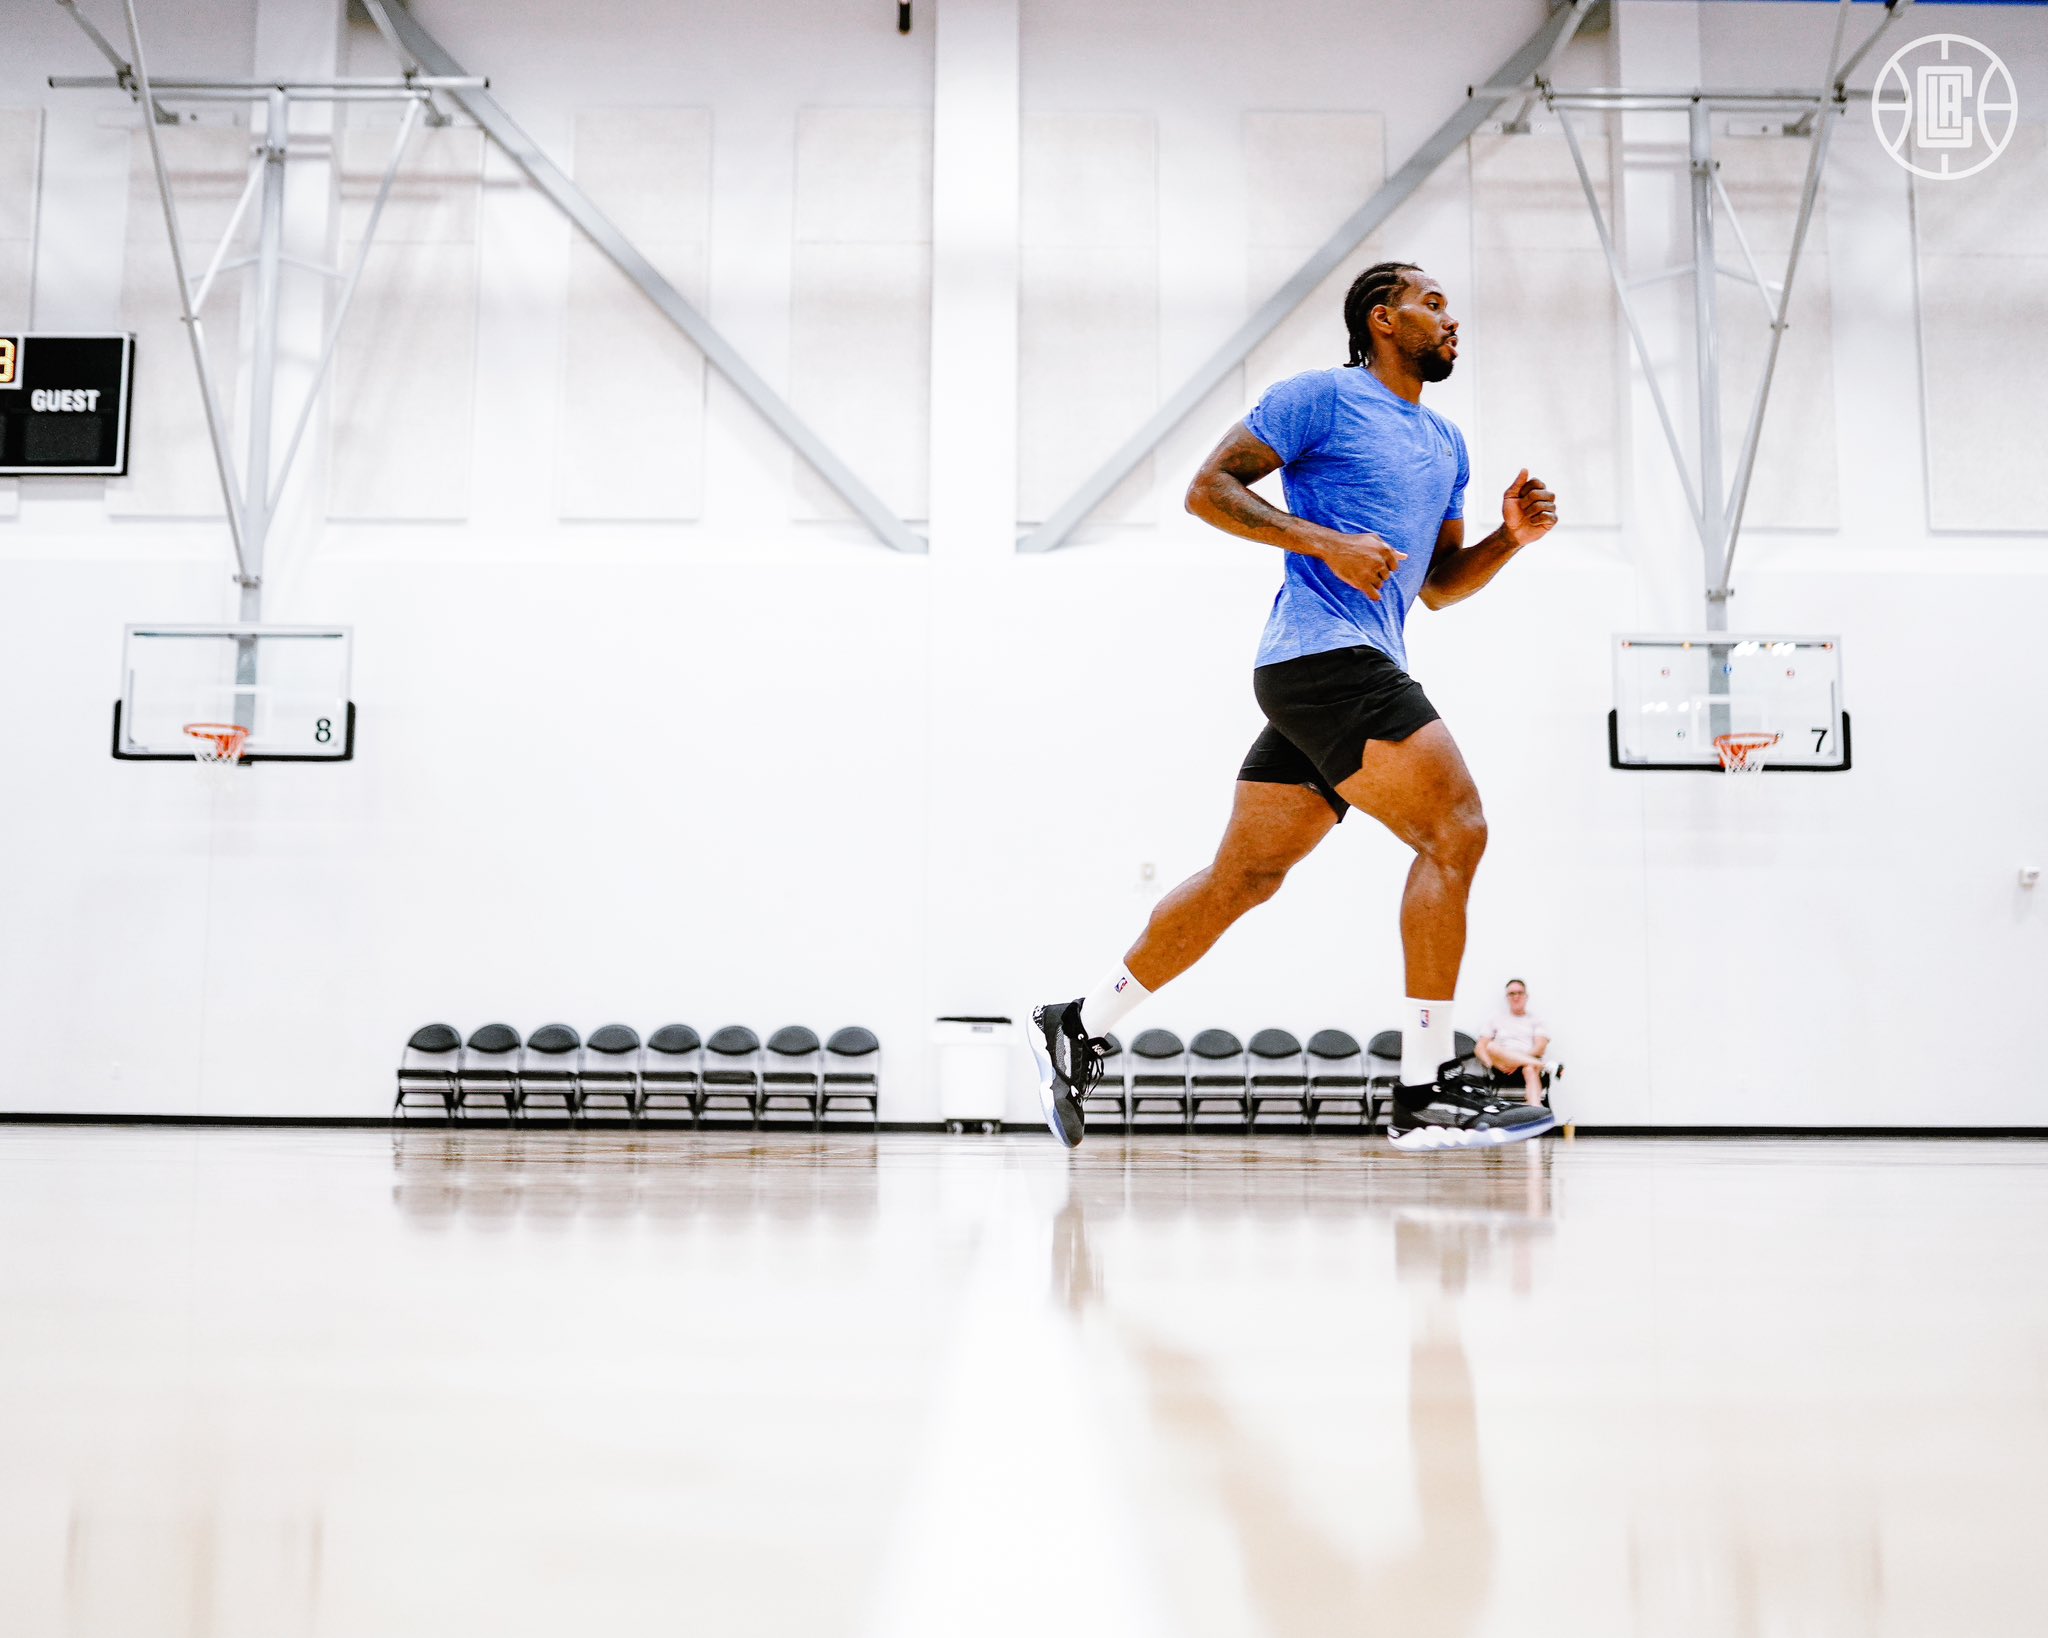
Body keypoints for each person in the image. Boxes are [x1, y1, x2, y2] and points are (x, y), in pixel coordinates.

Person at [1026, 260, 1557, 1152]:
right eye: (1433, 304)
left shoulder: (1449, 446)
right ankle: (1425, 1086)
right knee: (1454, 829)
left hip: (1340, 666)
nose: (1450, 318)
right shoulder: (1320, 399)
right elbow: (1209, 490)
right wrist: (1325, 543)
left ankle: (1081, 1020)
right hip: (1323, 658)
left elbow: (1434, 588)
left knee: (1245, 879)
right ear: (1384, 321)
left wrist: (1512, 536)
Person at [1474, 978, 1550, 1103]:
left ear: (1526, 996)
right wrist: (1491, 1064)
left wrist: (1516, 1061)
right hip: (1501, 1066)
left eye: (1520, 993)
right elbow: (1480, 1047)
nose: (1516, 997)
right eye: (1512, 994)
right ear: (1507, 997)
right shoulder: (1496, 1017)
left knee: (1530, 1068)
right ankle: (1546, 1066)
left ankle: (1535, 1108)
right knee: (1491, 1046)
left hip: (1527, 1064)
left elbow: (1540, 1047)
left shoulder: (1536, 1020)